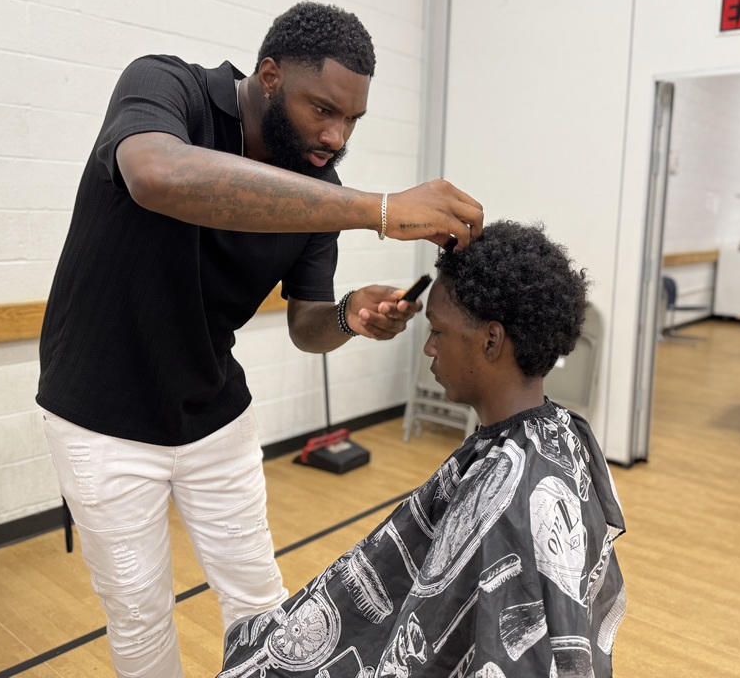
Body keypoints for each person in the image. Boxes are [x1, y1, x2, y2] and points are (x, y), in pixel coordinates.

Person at [36, 1, 483, 677]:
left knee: (259, 600)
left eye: (352, 120)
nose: (336, 136)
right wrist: (381, 211)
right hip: (101, 419)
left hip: (216, 416)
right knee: (140, 612)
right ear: (270, 76)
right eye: (323, 110)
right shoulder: (167, 87)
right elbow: (156, 175)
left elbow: (307, 326)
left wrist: (348, 316)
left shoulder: (319, 190)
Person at [220, 221, 626, 678]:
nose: (429, 348)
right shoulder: (563, 434)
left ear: (491, 339)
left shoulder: (514, 501)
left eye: (438, 331)